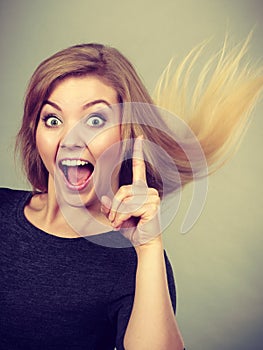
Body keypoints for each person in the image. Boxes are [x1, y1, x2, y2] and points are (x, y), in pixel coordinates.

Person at [0, 39, 262, 349]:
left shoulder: (134, 262)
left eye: (95, 120)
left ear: (127, 135)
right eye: (53, 120)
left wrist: (149, 247)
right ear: (35, 131)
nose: (71, 138)